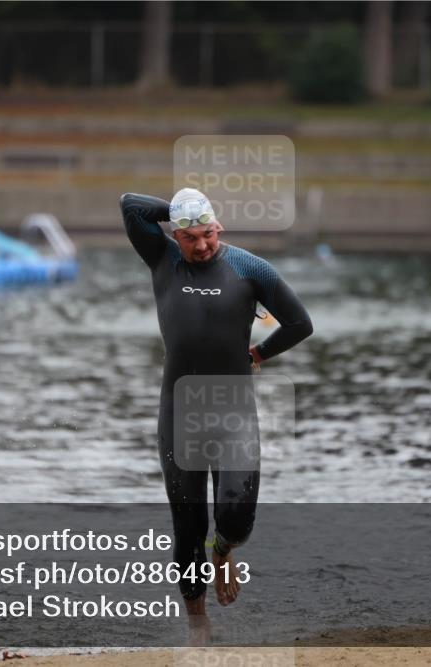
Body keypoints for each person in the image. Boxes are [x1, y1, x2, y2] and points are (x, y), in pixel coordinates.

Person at [119, 188, 313, 643]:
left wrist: (258, 354)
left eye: (207, 234)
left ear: (218, 227)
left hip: (234, 413)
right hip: (179, 414)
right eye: (189, 237)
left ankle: (223, 551)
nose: (201, 245)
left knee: (236, 518)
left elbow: (300, 324)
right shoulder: (163, 259)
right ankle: (198, 624)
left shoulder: (250, 268)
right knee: (188, 525)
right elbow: (130, 205)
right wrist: (179, 210)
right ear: (176, 236)